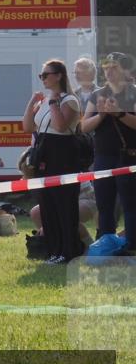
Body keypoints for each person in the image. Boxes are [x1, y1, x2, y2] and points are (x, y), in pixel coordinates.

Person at [23, 60, 83, 264]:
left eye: (46, 74)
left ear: (58, 76)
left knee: (64, 206)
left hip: (63, 157)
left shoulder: (69, 101)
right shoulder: (46, 100)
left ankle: (69, 251)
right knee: (47, 205)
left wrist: (52, 103)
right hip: (44, 156)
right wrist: (32, 103)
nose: (43, 79)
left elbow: (60, 126)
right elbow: (28, 126)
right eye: (41, 75)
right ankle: (54, 250)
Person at [80, 52, 136, 251]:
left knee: (130, 205)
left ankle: (131, 246)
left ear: (124, 69)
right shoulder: (98, 94)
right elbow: (84, 126)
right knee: (104, 205)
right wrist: (102, 115)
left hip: (128, 156)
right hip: (103, 157)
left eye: (114, 67)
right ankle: (106, 245)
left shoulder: (133, 92)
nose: (109, 71)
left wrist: (119, 113)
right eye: (106, 67)